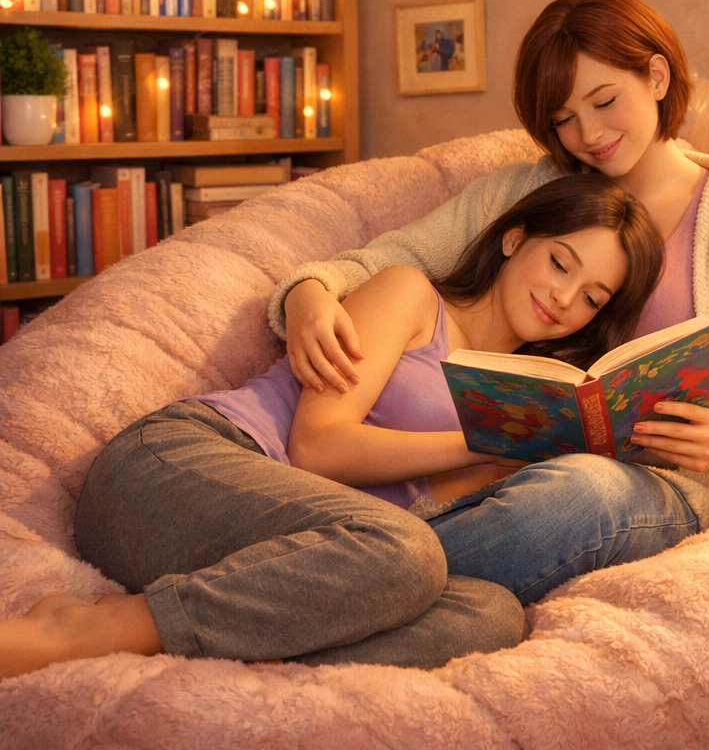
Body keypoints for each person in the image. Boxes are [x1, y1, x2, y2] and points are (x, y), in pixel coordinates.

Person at [274, 0, 709, 606]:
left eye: (603, 102)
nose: (588, 135)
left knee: (577, 494)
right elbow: (383, 261)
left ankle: (315, 595)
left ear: (655, 76)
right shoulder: (531, 194)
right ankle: (377, 596)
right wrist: (309, 291)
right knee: (521, 502)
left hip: (646, 483)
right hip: (492, 473)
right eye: (563, 120)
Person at [0, 175, 663, 680]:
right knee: (406, 552)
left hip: (263, 555)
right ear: (516, 239)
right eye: (560, 263)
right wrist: (490, 443)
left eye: (592, 298)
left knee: (488, 615)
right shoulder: (411, 296)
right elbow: (315, 447)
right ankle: (87, 632)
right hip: (175, 471)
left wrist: (525, 455)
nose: (563, 298)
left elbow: (414, 507)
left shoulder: (524, 397)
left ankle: (199, 630)